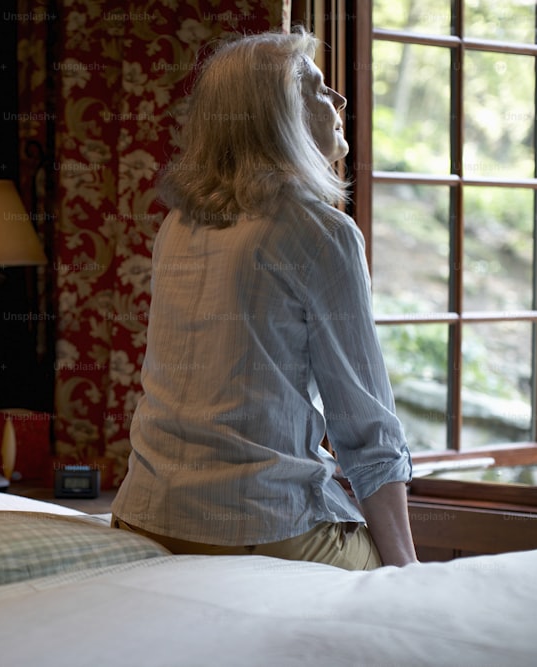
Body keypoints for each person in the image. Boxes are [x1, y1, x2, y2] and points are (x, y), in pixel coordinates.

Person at [110, 29, 418, 570]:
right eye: (321, 90)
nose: (339, 102)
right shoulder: (321, 232)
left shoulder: (177, 225)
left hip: (146, 516)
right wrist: (408, 574)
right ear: (282, 116)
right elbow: (366, 431)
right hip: (257, 527)